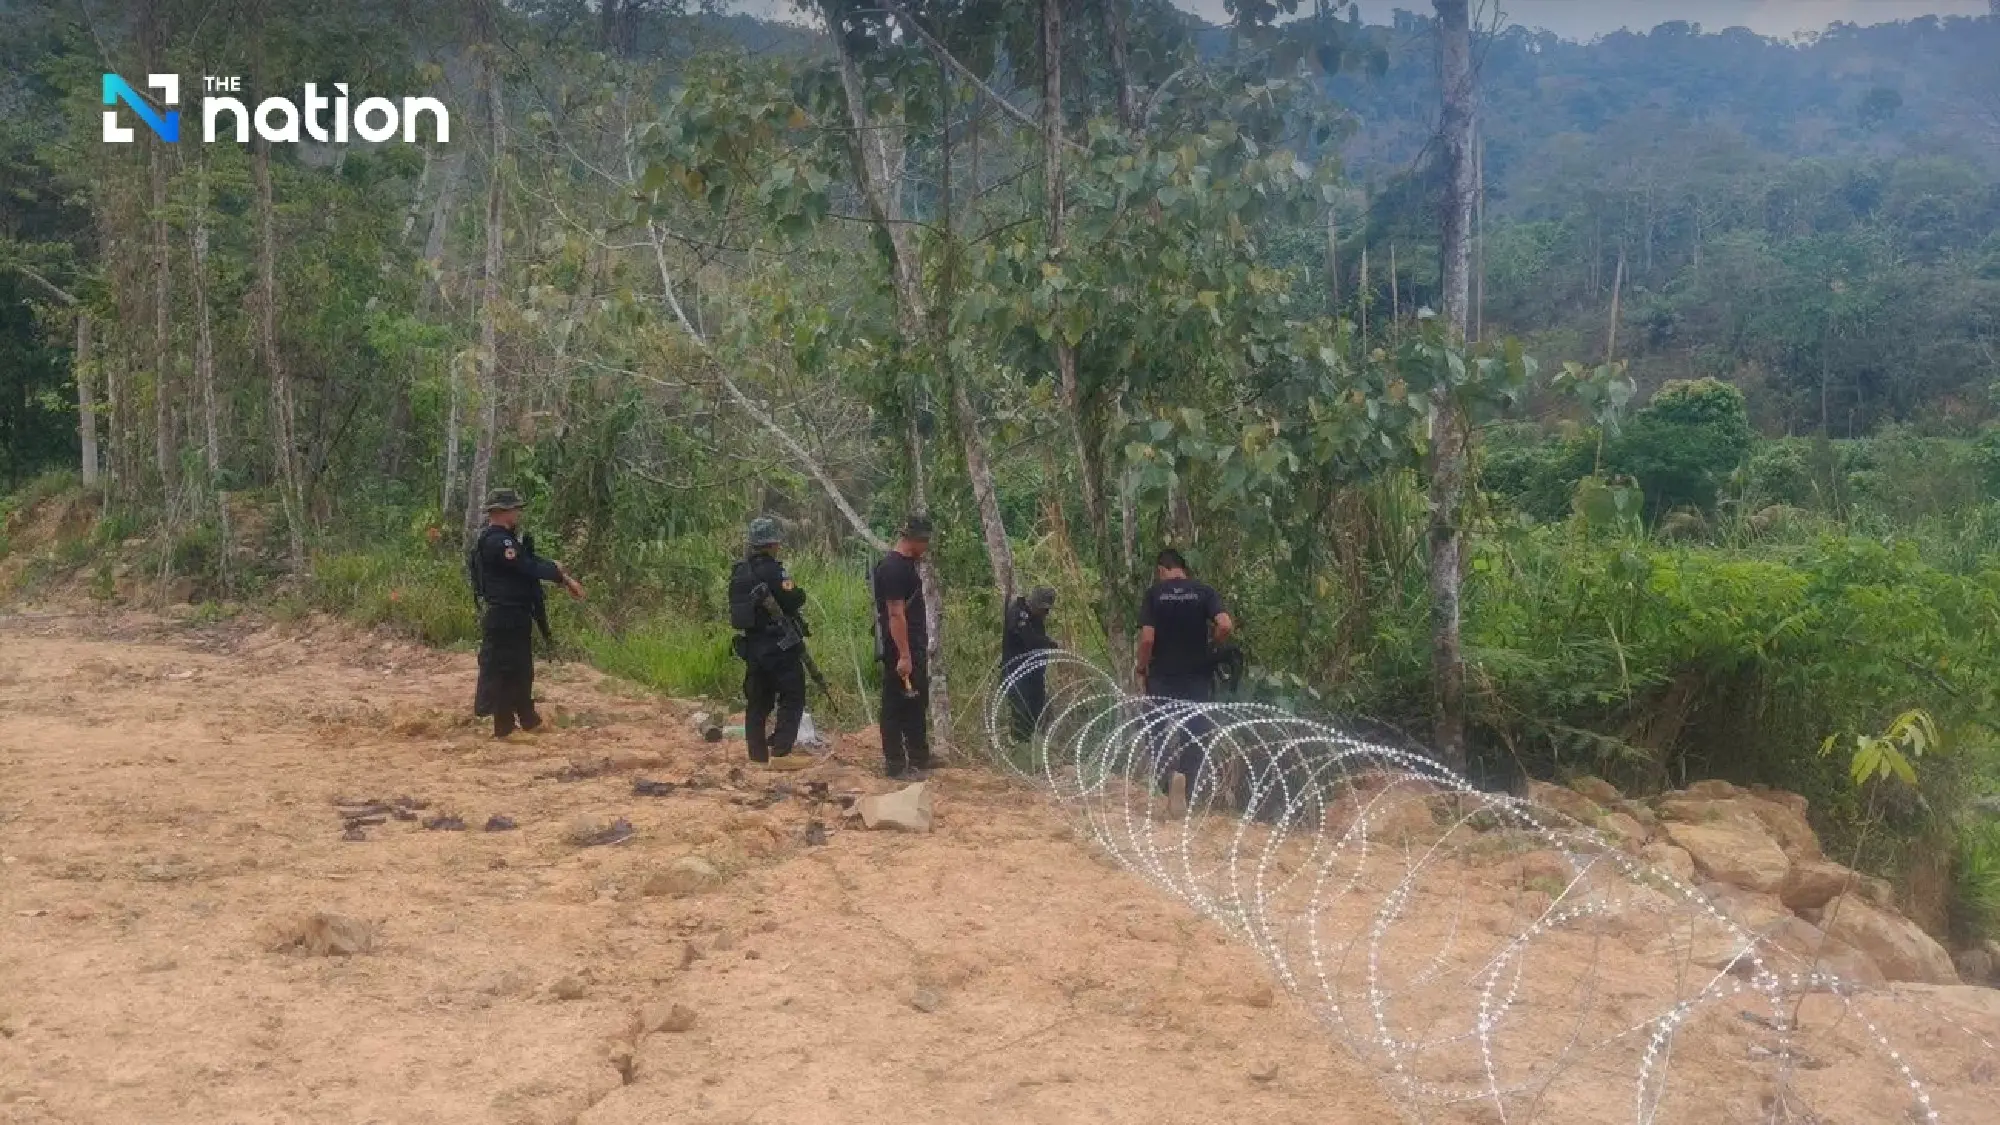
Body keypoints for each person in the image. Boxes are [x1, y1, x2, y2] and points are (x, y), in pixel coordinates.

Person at [470, 488, 584, 739]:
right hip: (505, 615)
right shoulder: (498, 542)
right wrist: (560, 577)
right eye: (515, 509)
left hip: (515, 615)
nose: (518, 513)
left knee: (520, 669)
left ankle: (528, 719)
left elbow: (527, 561)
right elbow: (525, 566)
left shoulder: (507, 540)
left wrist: (555, 570)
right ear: (502, 511)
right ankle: (505, 727)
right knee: (506, 669)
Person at [1135, 548, 1234, 816]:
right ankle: (1185, 789)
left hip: (1162, 677)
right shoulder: (1204, 591)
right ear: (1183, 568)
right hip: (1197, 677)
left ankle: (1166, 786)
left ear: (1161, 570)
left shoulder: (1155, 594)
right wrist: (1212, 644)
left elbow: (1147, 639)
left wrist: (1141, 668)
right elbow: (1225, 624)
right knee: (1194, 735)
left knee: (1156, 732)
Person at [727, 515, 813, 771]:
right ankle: (781, 752)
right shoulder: (774, 571)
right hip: (779, 645)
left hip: (752, 646)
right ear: (772, 543)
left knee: (757, 702)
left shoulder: (739, 573)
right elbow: (794, 599)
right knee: (793, 695)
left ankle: (757, 756)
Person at [872, 514, 934, 781]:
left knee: (916, 700)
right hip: (900, 647)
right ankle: (895, 763)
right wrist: (904, 655)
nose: (927, 547)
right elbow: (896, 614)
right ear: (916, 540)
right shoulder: (893, 568)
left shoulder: (907, 565)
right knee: (896, 704)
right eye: (926, 541)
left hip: (913, 645)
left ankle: (919, 755)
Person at [1002, 586, 1058, 741]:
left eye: (1047, 610)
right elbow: (1030, 641)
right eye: (1043, 609)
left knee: (1037, 707)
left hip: (1034, 673)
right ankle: (1019, 745)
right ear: (1034, 603)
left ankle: (1029, 744)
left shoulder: (1036, 618)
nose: (1045, 614)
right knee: (1021, 709)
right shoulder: (1018, 614)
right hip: (1017, 671)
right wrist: (1049, 643)